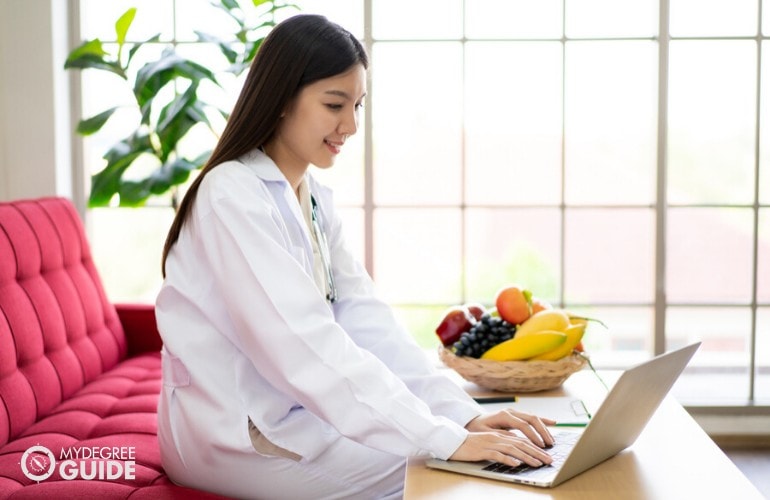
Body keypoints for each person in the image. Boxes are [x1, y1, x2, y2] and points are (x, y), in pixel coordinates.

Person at [156, 14, 555, 499]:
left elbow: (367, 321)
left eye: (358, 105)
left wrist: (460, 414)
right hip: (238, 437)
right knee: (448, 475)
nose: (351, 125)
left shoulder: (314, 196)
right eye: (334, 104)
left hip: (300, 419)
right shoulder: (230, 196)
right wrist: (445, 440)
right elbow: (303, 345)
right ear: (282, 99)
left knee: (471, 461)